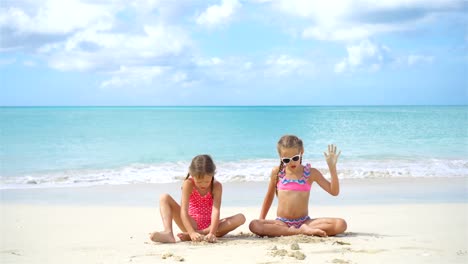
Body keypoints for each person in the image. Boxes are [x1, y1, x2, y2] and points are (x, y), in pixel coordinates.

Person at [249, 135, 347, 237]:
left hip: (305, 222)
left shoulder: (311, 173)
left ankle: (298, 230)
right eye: (286, 160)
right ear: (280, 157)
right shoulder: (277, 172)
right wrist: (262, 220)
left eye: (295, 158)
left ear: (302, 152)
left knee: (341, 224)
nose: (291, 162)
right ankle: (301, 231)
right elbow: (269, 197)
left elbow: (334, 191)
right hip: (282, 223)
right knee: (254, 225)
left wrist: (332, 168)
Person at [150, 154, 246, 243]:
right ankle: (168, 233)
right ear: (192, 175)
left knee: (240, 218)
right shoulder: (188, 184)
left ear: (212, 175)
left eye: (207, 181)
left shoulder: (217, 186)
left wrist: (212, 232)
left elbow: (216, 211)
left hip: (211, 226)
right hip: (190, 224)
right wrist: (191, 232)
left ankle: (201, 234)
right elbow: (183, 211)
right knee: (164, 197)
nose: (203, 184)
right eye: (199, 182)